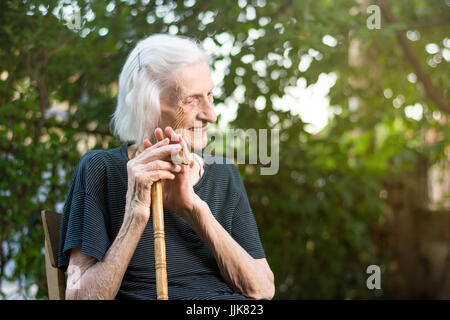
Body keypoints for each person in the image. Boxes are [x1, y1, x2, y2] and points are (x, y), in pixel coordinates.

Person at [57, 34, 275, 300]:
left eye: (209, 95)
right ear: (146, 107)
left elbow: (262, 291)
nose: (211, 114)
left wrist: (194, 209)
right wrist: (136, 213)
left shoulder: (223, 174)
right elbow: (79, 297)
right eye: (191, 100)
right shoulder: (100, 170)